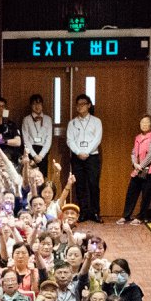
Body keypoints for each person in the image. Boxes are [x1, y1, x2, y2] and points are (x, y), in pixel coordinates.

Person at [64, 93, 103, 222]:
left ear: (89, 105)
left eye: (83, 104)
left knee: (93, 184)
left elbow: (97, 139)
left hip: (92, 157)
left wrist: (87, 152)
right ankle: (83, 212)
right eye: (78, 105)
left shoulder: (96, 121)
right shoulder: (72, 123)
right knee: (80, 185)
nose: (80, 107)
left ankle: (95, 212)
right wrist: (78, 152)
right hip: (77, 157)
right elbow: (70, 140)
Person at [117, 114, 151, 225]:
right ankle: (126, 216)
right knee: (131, 193)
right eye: (142, 122)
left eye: (147, 122)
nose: (144, 124)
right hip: (138, 170)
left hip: (150, 171)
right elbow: (133, 152)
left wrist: (140, 166)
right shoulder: (137, 137)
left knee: (146, 195)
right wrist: (135, 163)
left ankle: (141, 217)